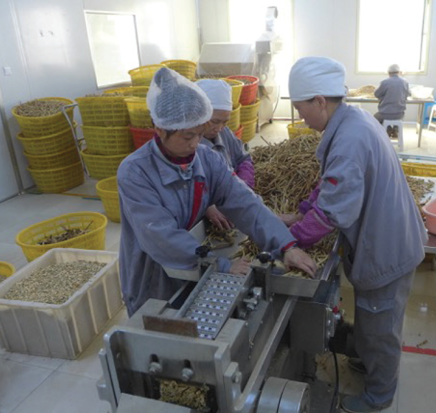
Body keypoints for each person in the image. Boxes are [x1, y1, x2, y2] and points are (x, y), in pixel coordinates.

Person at [283, 56, 426, 413]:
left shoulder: (349, 138)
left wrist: (291, 241)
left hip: (387, 247)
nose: (300, 118)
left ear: (319, 101)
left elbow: (333, 210)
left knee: (380, 326)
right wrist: (299, 212)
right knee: (372, 316)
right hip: (389, 232)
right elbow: (332, 185)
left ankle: (378, 397)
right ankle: (366, 359)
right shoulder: (353, 120)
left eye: (301, 109)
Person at [116, 68, 316, 316]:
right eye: (187, 135)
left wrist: (286, 245)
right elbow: (160, 236)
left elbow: (245, 203)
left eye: (199, 134)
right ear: (159, 128)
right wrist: (219, 264)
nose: (194, 144)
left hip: (195, 261)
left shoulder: (206, 158)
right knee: (163, 326)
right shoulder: (135, 172)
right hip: (154, 273)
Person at [196, 79, 255, 232]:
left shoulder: (224, 133)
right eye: (215, 121)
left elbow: (244, 159)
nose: (219, 128)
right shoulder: (186, 144)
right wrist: (207, 206)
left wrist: (243, 185)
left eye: (225, 122)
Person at [373, 64, 410, 138]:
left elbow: (376, 94)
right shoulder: (405, 82)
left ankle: (388, 130)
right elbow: (408, 94)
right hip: (399, 113)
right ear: (399, 72)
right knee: (399, 117)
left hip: (385, 113)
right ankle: (395, 130)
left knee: (373, 119)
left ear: (389, 73)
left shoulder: (385, 82)